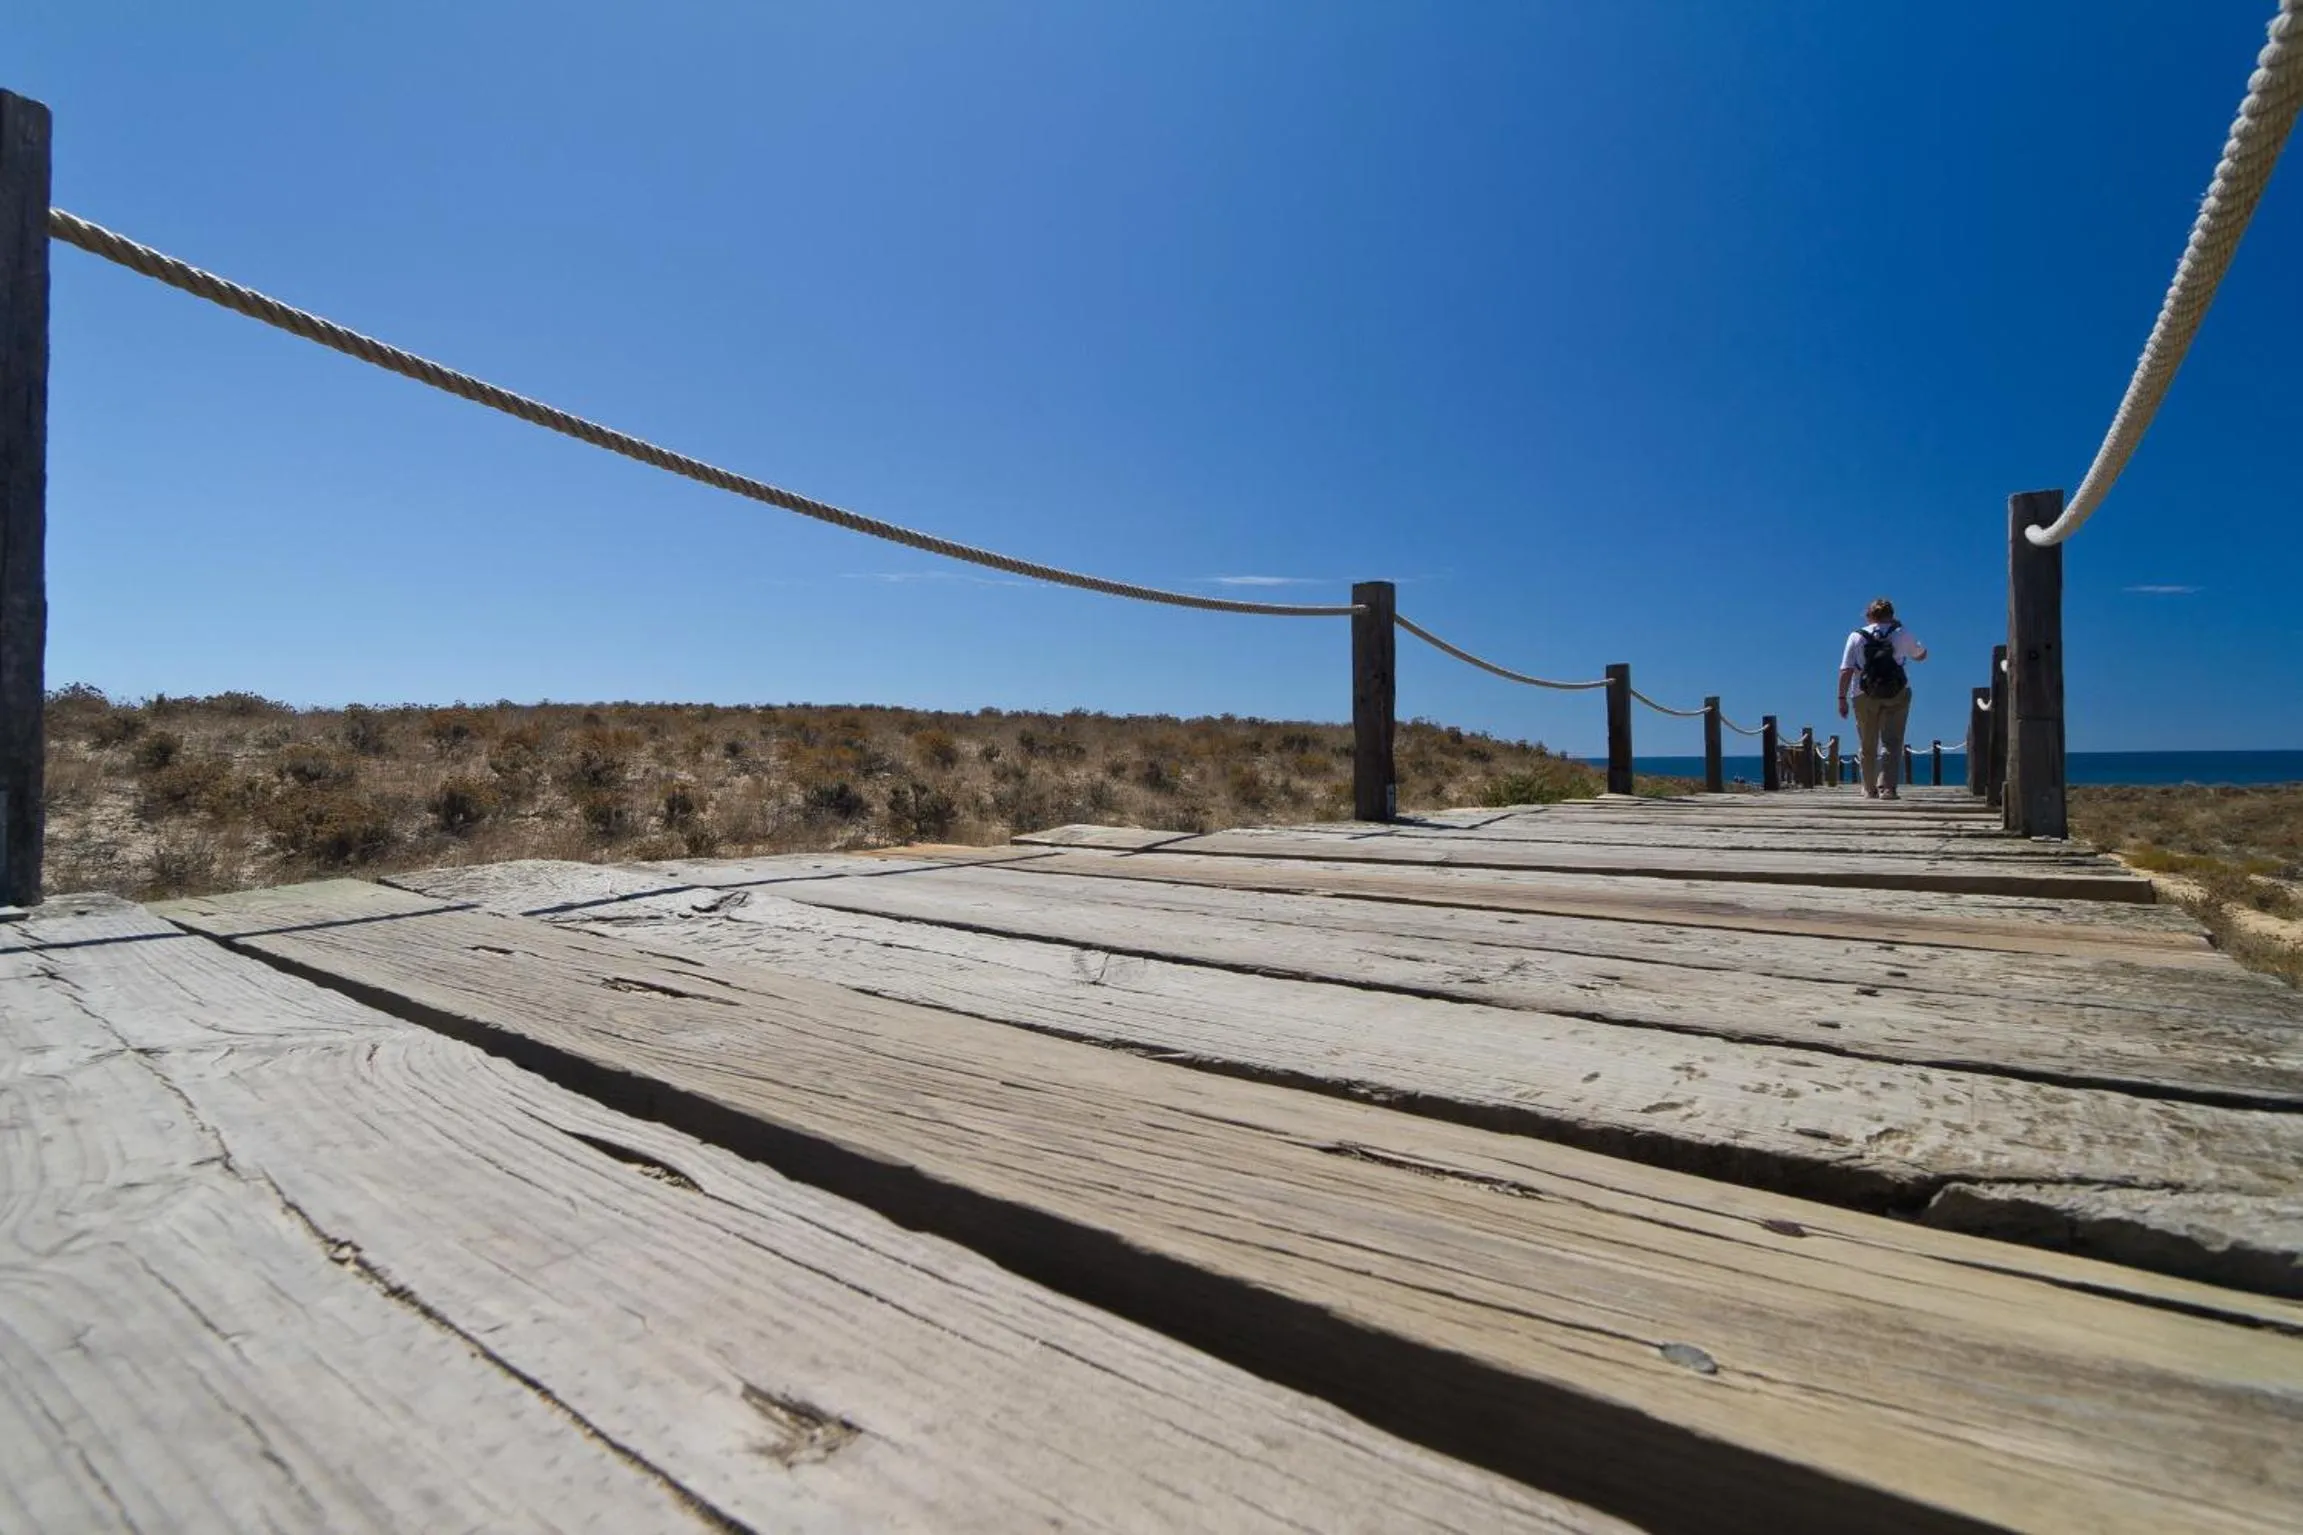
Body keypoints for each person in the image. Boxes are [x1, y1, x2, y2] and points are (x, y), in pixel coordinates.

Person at [1837, 597, 1928, 799]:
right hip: (1897, 692)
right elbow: (1921, 655)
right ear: (1892, 614)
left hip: (1863, 693)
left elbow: (1846, 670)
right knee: (1892, 741)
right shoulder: (1902, 633)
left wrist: (1841, 698)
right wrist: (1902, 634)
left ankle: (1869, 788)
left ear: (1869, 615)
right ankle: (1888, 788)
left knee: (1868, 742)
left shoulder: (1856, 636)